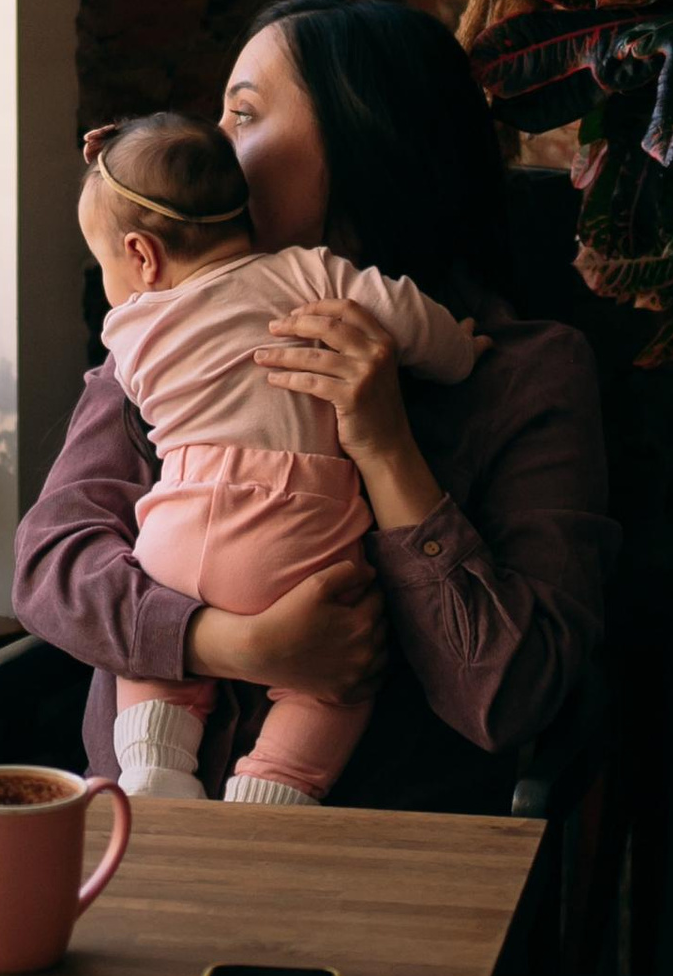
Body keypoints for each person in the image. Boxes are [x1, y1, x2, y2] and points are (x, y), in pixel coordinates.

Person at [14, 0, 616, 812]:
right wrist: (236, 644)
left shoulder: (522, 374)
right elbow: (52, 567)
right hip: (139, 843)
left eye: (244, 116)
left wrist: (386, 447)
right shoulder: (160, 334)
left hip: (378, 868)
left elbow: (506, 697)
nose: (212, 143)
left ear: (368, 144)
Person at [79, 108, 487, 805]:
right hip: (295, 535)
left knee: (151, 651)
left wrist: (115, 167)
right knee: (331, 683)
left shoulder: (129, 332)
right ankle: (273, 792)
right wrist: (458, 353)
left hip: (172, 532)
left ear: (143, 256)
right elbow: (412, 320)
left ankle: (152, 766)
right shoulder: (309, 276)